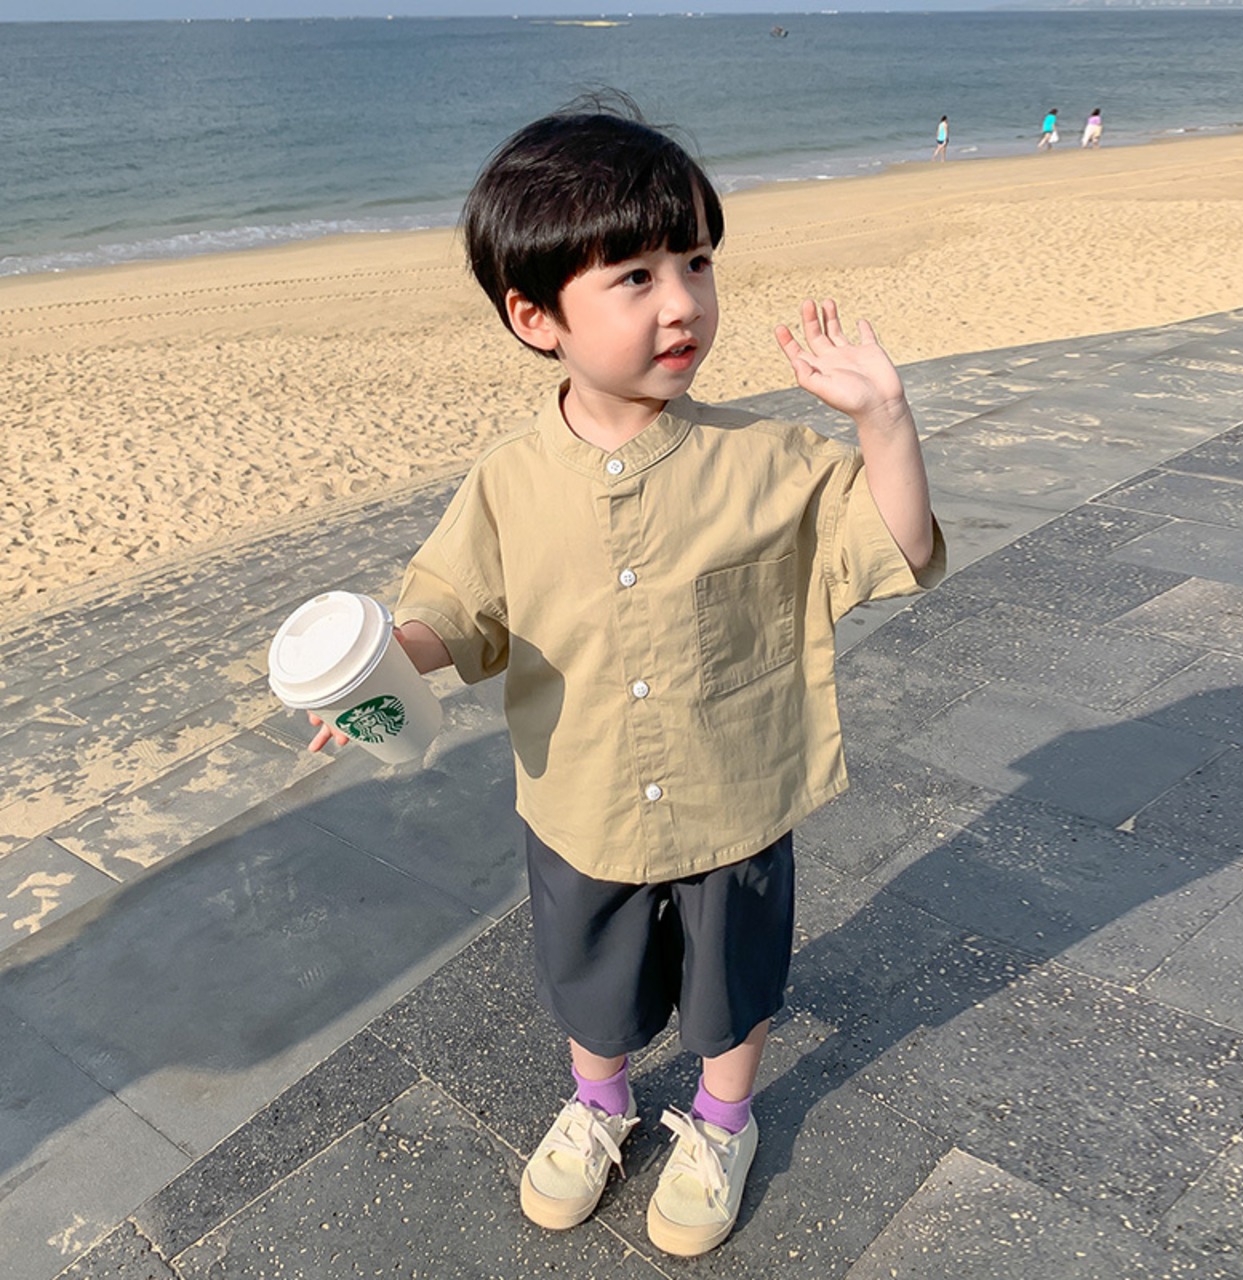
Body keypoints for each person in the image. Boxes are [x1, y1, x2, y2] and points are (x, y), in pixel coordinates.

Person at [307, 99, 944, 1257]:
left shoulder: (764, 459)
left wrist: (883, 419)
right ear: (534, 315)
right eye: (635, 276)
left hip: (732, 793)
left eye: (695, 261)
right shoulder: (509, 480)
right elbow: (458, 607)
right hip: (583, 794)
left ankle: (721, 1120)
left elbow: (891, 546)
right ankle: (598, 1102)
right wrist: (377, 670)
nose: (681, 301)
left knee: (731, 980)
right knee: (587, 976)